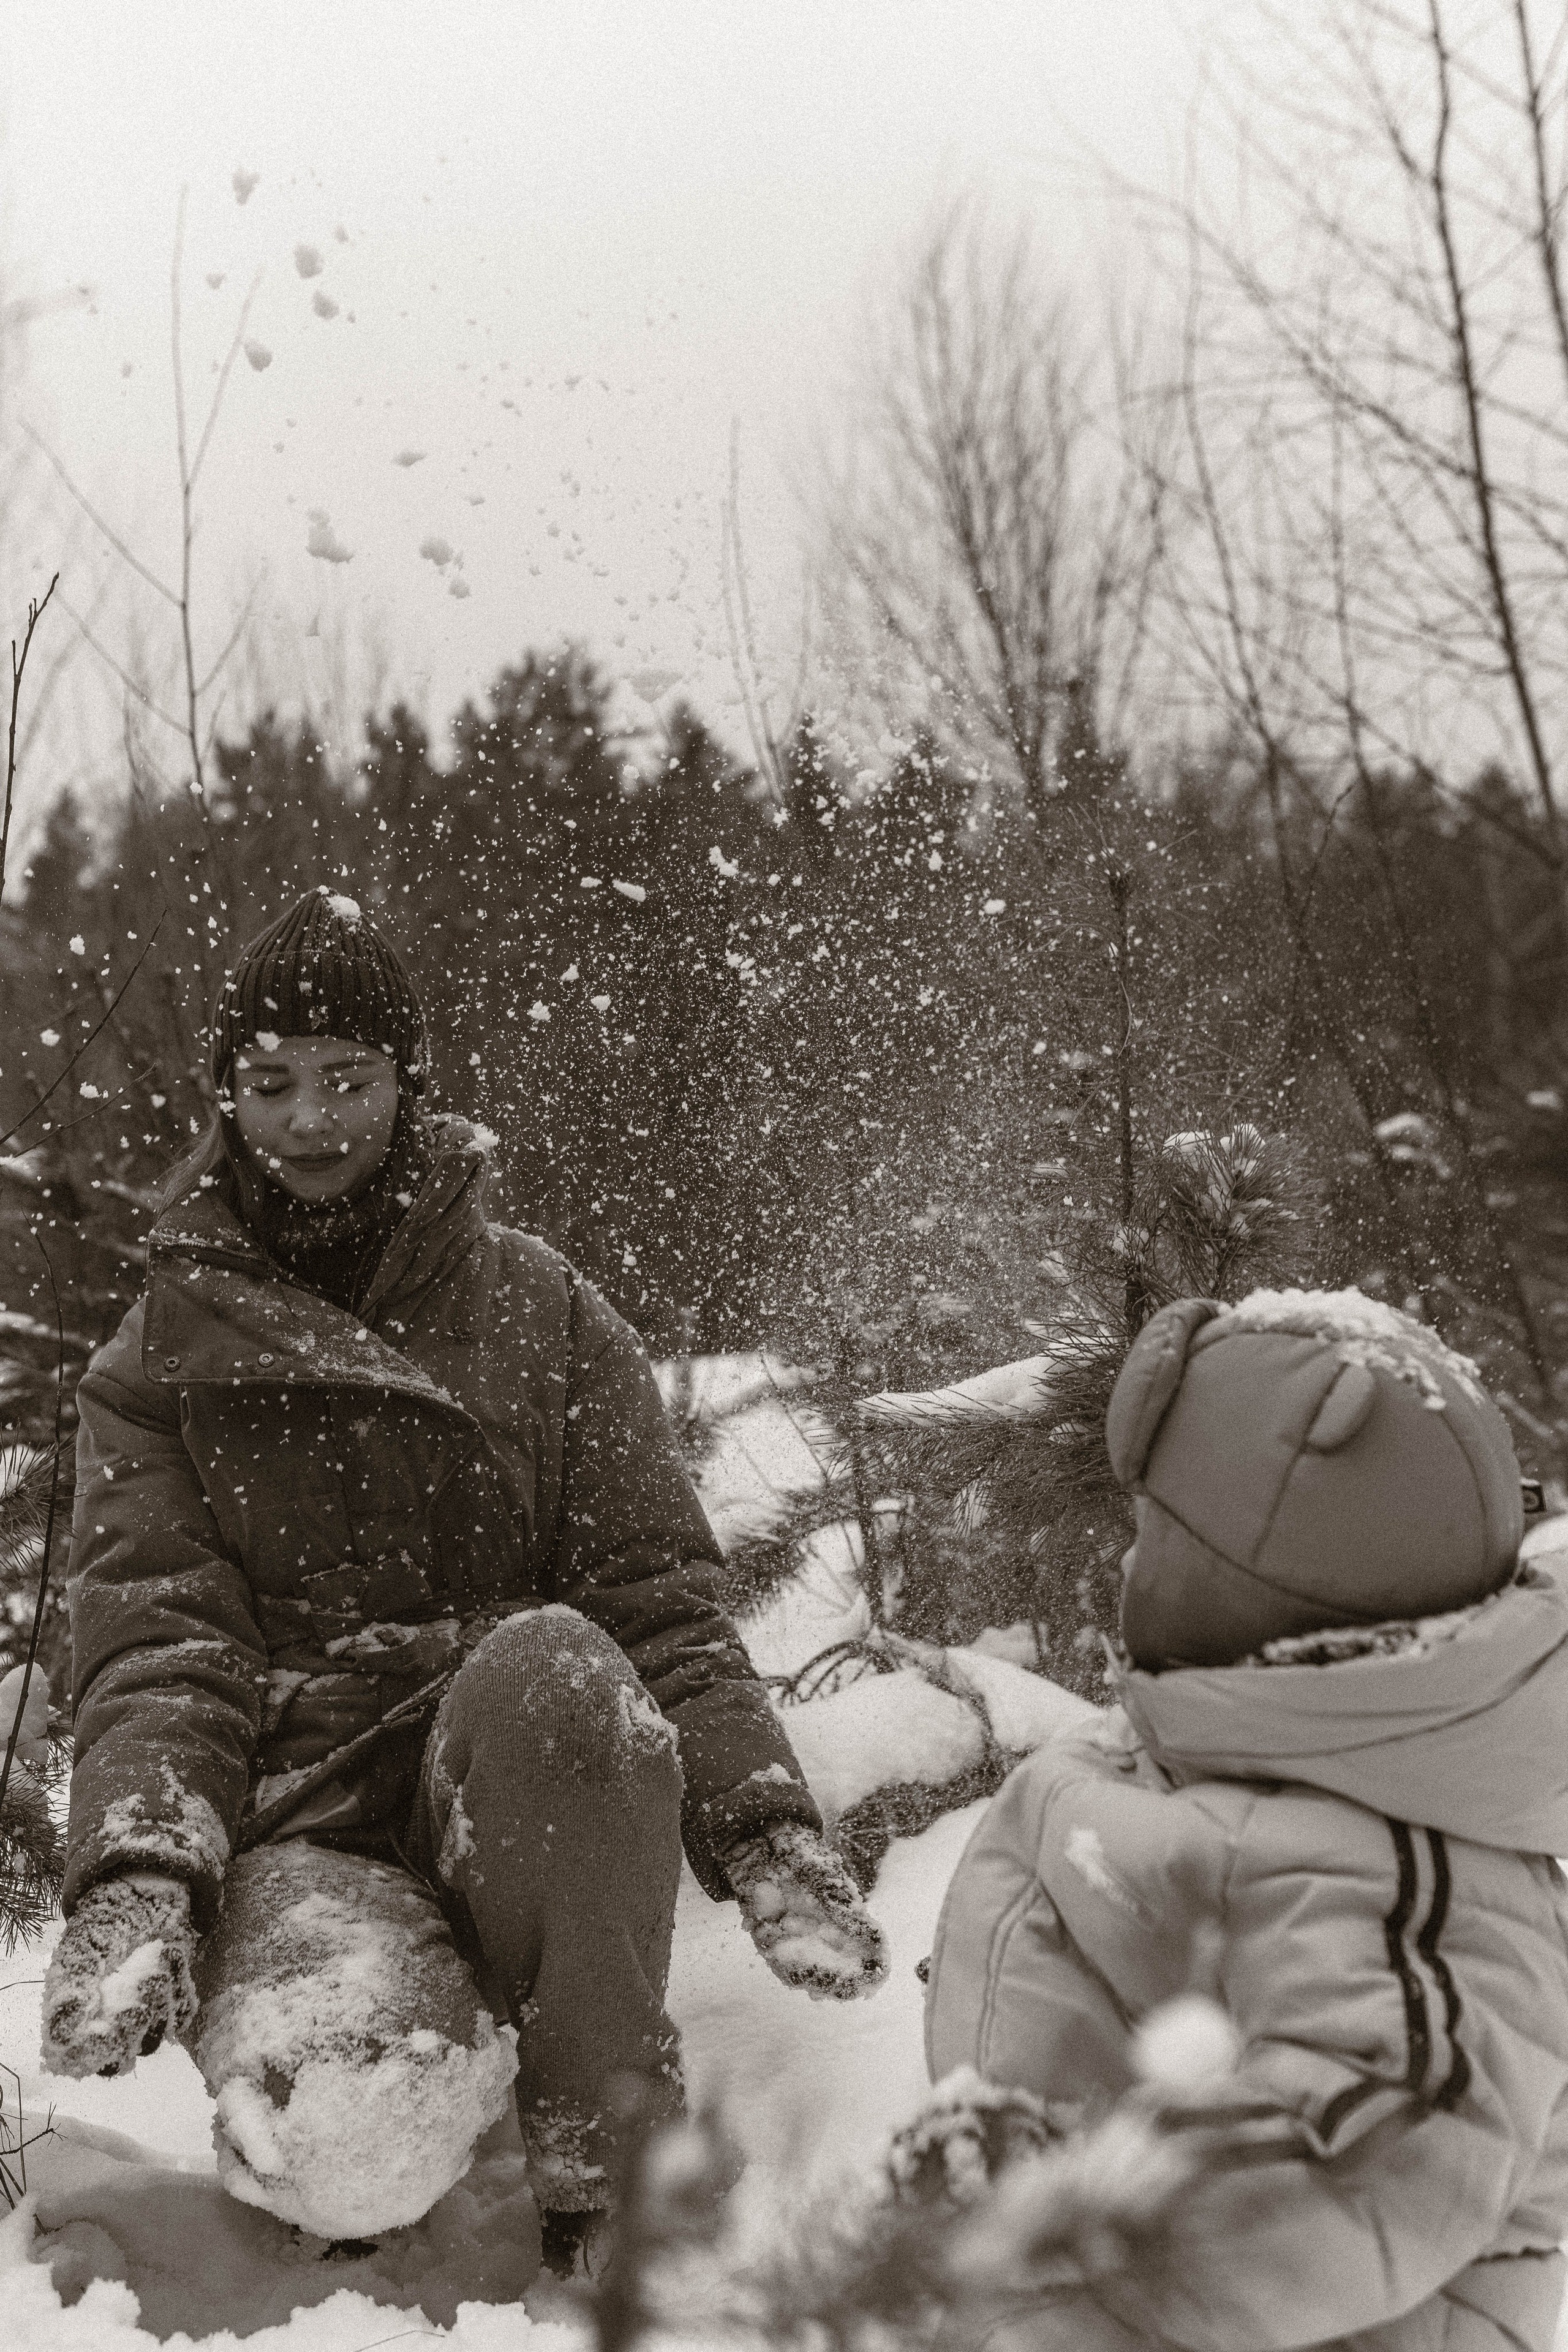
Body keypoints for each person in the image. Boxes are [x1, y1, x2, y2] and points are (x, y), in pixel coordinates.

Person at [40, 886, 886, 2269]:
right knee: (351, 2156)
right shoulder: (156, 1363)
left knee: (564, 1666)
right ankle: (358, 2109)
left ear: (407, 1084)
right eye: (272, 1084)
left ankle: (596, 2163)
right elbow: (161, 1645)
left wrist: (760, 1830)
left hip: (512, 1806)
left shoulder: (541, 1310)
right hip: (301, 1828)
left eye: (348, 1079)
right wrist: (140, 1870)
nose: (311, 1120)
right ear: (228, 1096)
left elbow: (656, 1604)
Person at [924, 1289, 1568, 2352]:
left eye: (1156, 1536)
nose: (1126, 1566)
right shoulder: (1231, 1756)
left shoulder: (1416, 1882)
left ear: (1263, 1591)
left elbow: (1351, 2184)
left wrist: (1053, 2193)